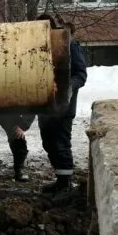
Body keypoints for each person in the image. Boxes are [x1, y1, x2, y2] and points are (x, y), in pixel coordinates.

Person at [36, 15, 87, 203]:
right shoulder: (40, 47)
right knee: (48, 142)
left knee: (61, 143)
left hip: (64, 106)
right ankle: (60, 179)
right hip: (46, 106)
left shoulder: (70, 46)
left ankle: (66, 185)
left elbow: (81, 74)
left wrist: (68, 87)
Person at [0, 113, 36, 182]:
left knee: (18, 138)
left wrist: (23, 125)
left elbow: (31, 106)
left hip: (8, 110)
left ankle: (19, 169)